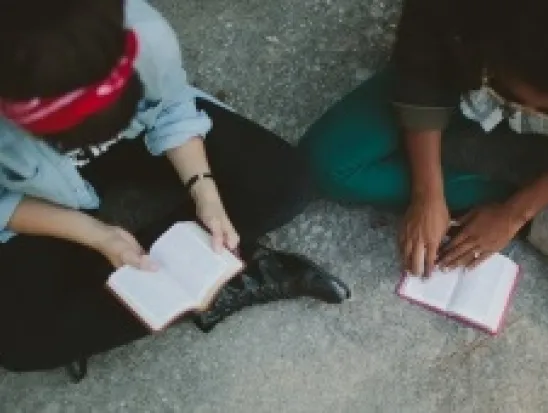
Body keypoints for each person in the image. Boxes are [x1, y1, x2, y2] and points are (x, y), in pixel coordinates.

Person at [0, 0, 350, 377]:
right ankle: (204, 279)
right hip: (37, 190)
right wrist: (95, 235)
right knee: (23, 344)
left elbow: (171, 107)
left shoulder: (140, 29)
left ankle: (127, 290)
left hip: (139, 139)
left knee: (283, 183)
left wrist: (205, 191)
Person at [300, 0, 548, 300]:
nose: (526, 113)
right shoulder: (457, 14)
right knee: (328, 165)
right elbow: (420, 69)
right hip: (463, 76)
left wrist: (515, 214)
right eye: (510, 94)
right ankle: (545, 188)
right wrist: (428, 194)